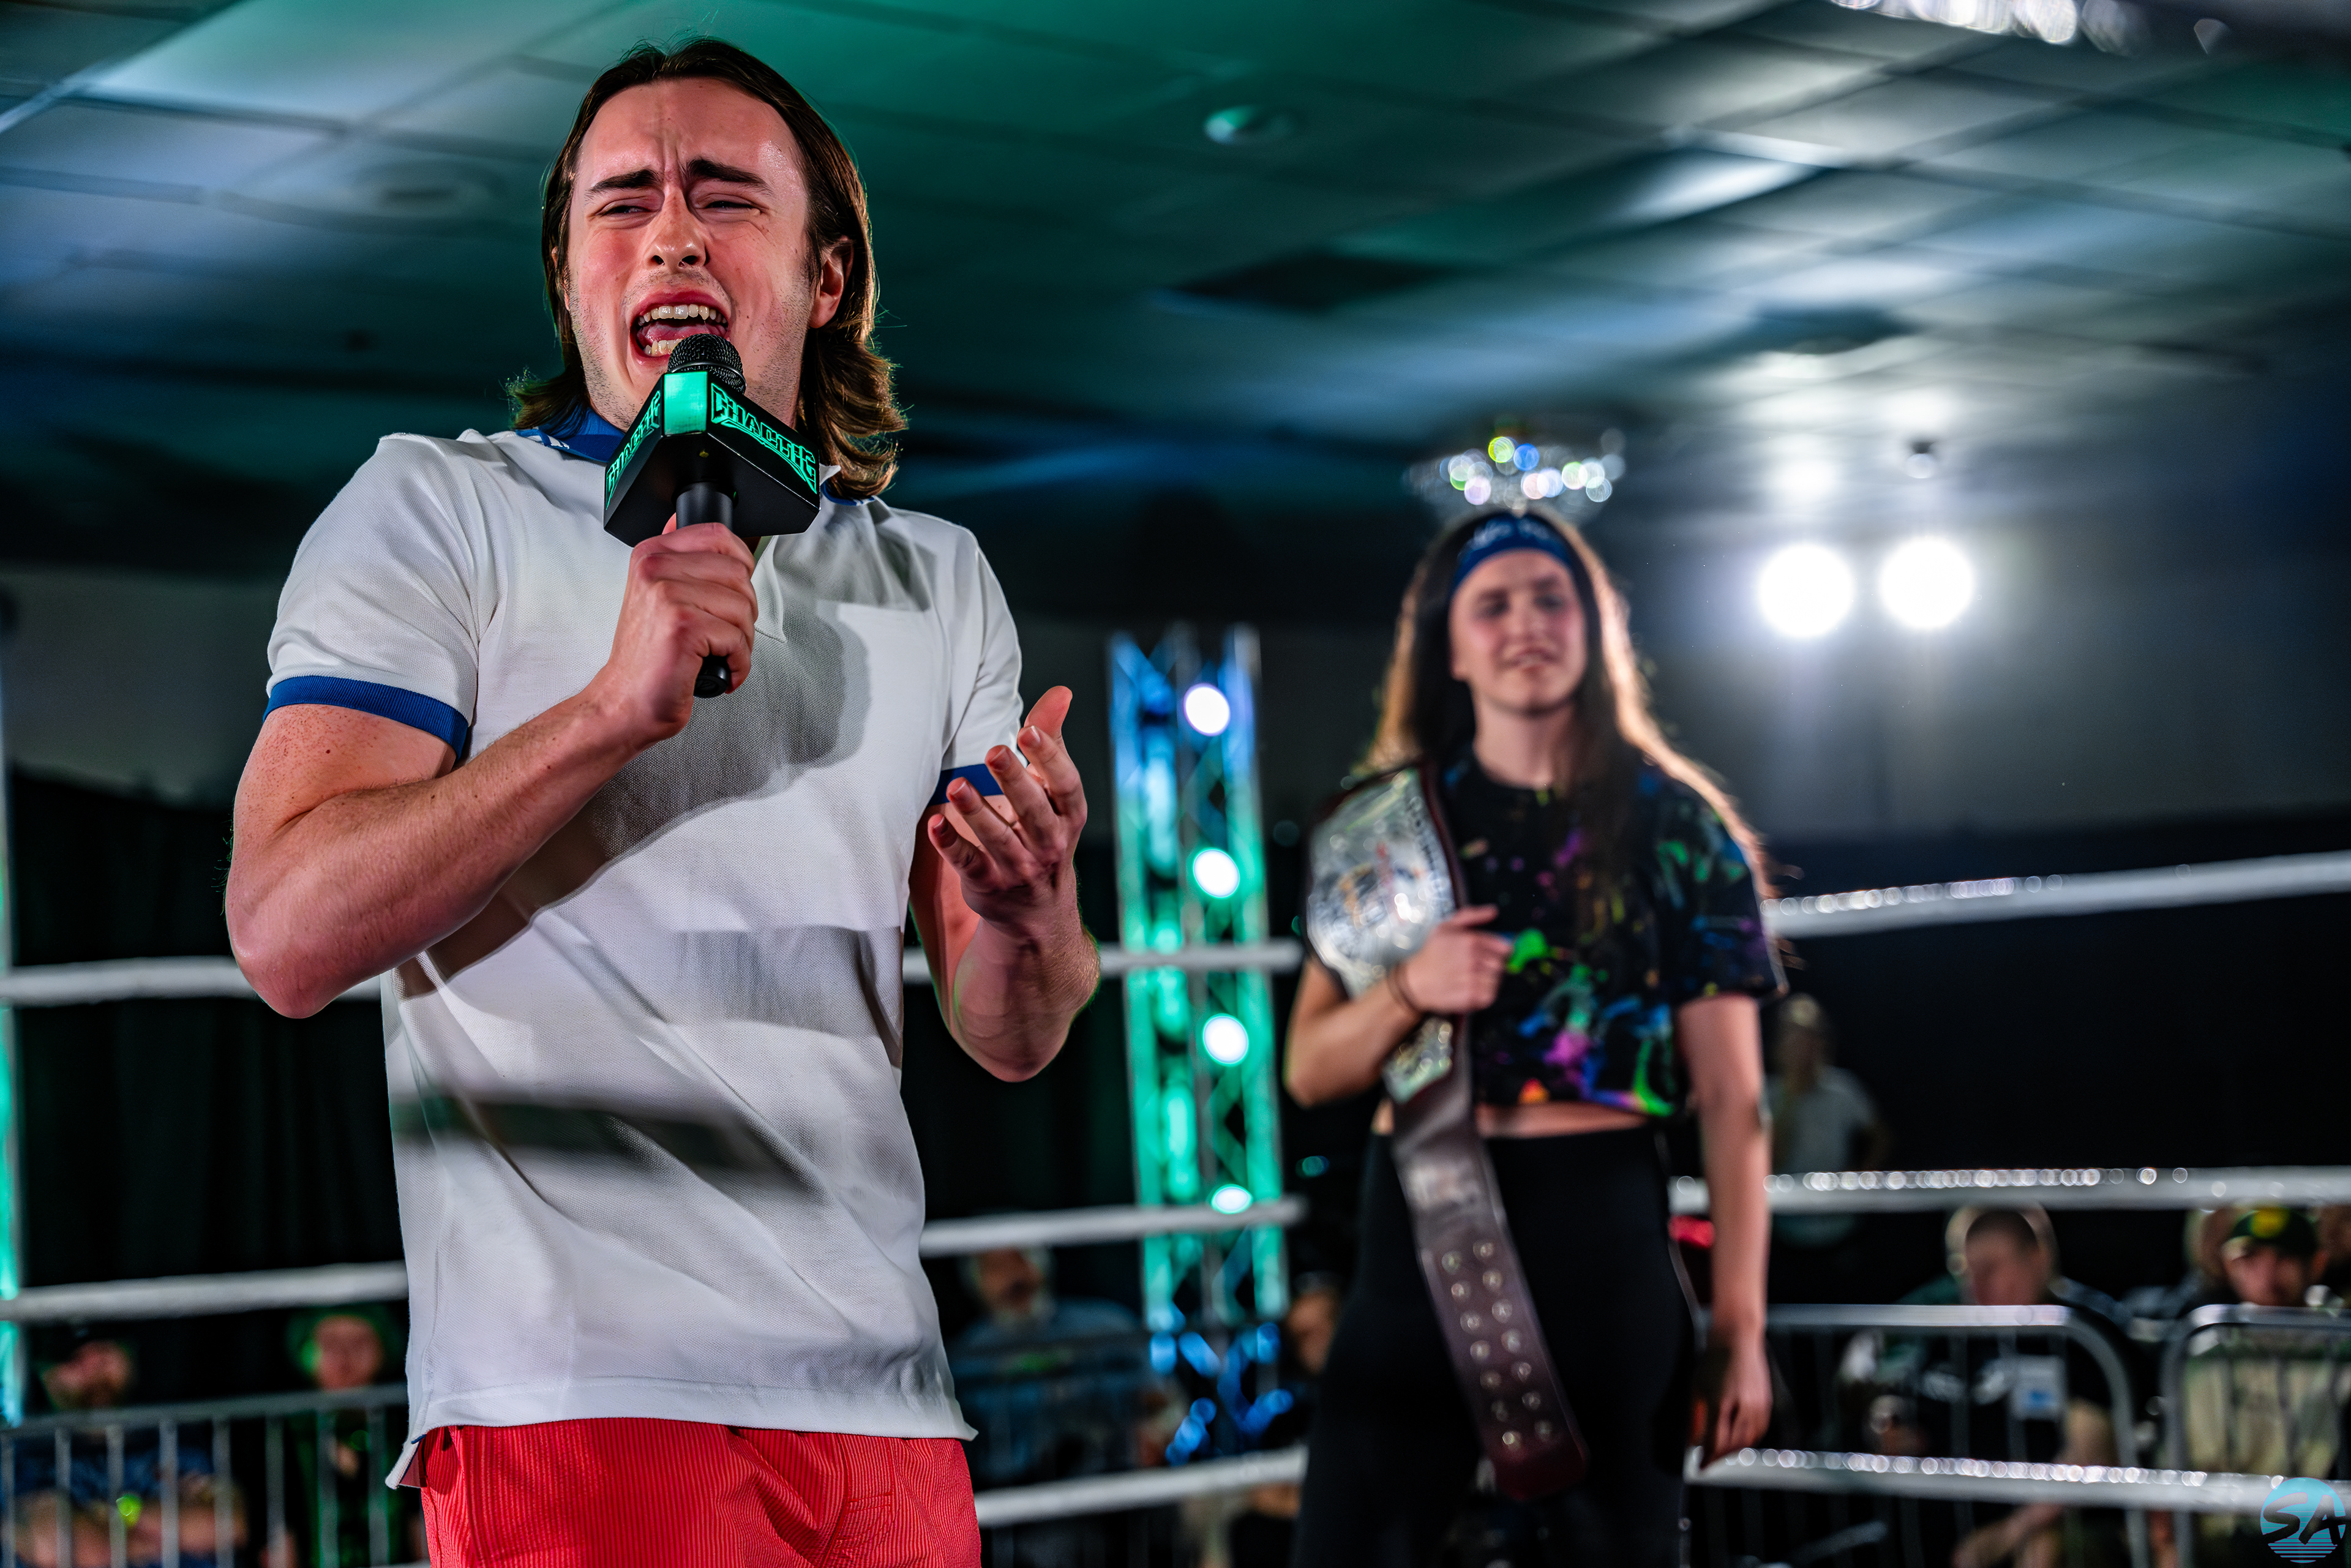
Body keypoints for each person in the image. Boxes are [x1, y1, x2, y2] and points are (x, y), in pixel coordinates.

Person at [224, 37, 1097, 1568]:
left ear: (826, 278)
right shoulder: (438, 507)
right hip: (579, 1391)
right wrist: (606, 714)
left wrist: (1030, 912)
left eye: (725, 197)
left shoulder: (938, 575)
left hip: (884, 1399)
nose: (673, 233)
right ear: (571, 276)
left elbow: (1010, 1031)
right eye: (623, 201)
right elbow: (286, 931)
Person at [1284, 508, 1782, 1566]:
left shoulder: (1678, 826)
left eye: (1552, 599)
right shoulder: (1381, 827)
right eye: (1494, 605)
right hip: (1415, 1228)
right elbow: (1310, 1070)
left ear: (1595, 628)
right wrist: (1409, 990)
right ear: (1451, 647)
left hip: (1603, 1234)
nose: (1526, 625)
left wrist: (1740, 1325)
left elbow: (1735, 1101)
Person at [1851, 1209, 2132, 1567]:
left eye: (1992, 1267)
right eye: (1966, 1271)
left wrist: (2005, 1535)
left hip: (2034, 1531)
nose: (1977, 1285)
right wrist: (1890, 1423)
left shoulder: (2081, 1332)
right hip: (1929, 1530)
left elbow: (2090, 1454)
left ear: (2038, 1258)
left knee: (2044, 1550)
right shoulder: (1952, 1333)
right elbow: (1909, 1407)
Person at [2165, 1209, 2349, 1567]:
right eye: (2250, 1258)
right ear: (2228, 1265)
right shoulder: (2206, 1350)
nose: (2267, 1274)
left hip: (2311, 1537)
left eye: (2284, 1257)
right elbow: (2172, 1471)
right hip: (2217, 1534)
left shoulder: (2343, 1349)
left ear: (2317, 1263)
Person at [13, 1335, 242, 1568]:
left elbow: (229, 1523)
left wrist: (118, 1510)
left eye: (105, 1346)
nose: (93, 1365)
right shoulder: (27, 1457)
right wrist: (174, 1528)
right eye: (72, 1358)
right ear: (46, 1374)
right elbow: (62, 1546)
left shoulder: (174, 1436)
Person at [1763, 993, 1891, 1304]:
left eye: (1810, 1035)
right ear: (1780, 1043)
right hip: (1786, 1235)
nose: (1803, 1044)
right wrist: (1790, 1096)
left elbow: (1881, 1135)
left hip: (1840, 1230)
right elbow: (1770, 1161)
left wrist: (1862, 1176)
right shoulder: (1767, 1094)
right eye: (1794, 1035)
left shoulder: (1842, 1089)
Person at [281, 1307, 423, 1568]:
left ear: (382, 1352)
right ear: (306, 1352)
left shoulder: (405, 1429)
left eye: (360, 1342)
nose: (344, 1356)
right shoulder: (286, 1436)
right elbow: (278, 1538)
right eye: (330, 1342)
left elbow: (421, 1529)